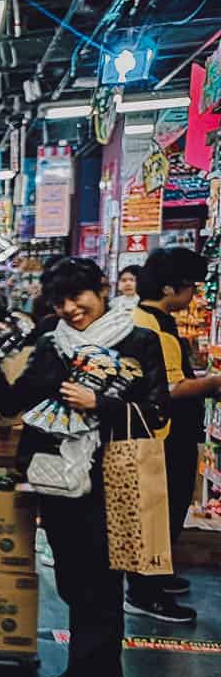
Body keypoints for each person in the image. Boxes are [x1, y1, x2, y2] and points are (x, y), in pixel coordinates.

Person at [0, 257, 168, 677]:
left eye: (77, 296)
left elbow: (158, 410)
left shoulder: (137, 338)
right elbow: (13, 402)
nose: (70, 309)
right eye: (59, 301)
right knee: (80, 588)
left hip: (112, 482)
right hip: (61, 486)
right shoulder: (53, 345)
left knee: (96, 592)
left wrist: (98, 403)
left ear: (101, 288)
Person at [125, 248, 214, 622]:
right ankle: (146, 593)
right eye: (190, 287)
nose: (193, 295)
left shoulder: (149, 317)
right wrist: (213, 383)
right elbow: (172, 388)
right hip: (162, 434)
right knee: (159, 512)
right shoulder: (154, 328)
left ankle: (157, 577)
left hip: (159, 432)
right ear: (168, 289)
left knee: (162, 511)